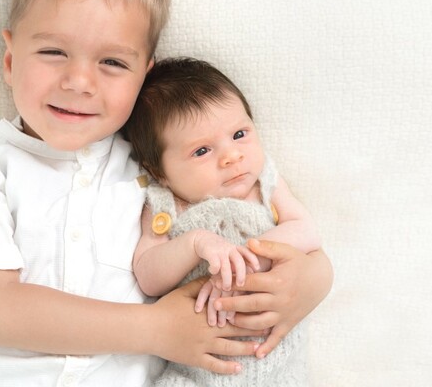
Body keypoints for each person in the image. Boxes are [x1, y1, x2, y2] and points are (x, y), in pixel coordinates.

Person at [0, 0, 333, 387]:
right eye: (53, 51)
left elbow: (249, 224)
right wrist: (159, 330)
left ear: (143, 78)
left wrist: (312, 283)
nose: (79, 82)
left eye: (112, 62)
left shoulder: (160, 170)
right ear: (10, 61)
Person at [124, 56, 324, 386]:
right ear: (160, 171)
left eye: (240, 134)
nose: (231, 156)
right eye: (202, 151)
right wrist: (196, 244)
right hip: (197, 373)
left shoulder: (265, 184)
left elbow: (307, 231)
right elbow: (148, 276)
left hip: (278, 367)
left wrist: (253, 256)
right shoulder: (164, 203)